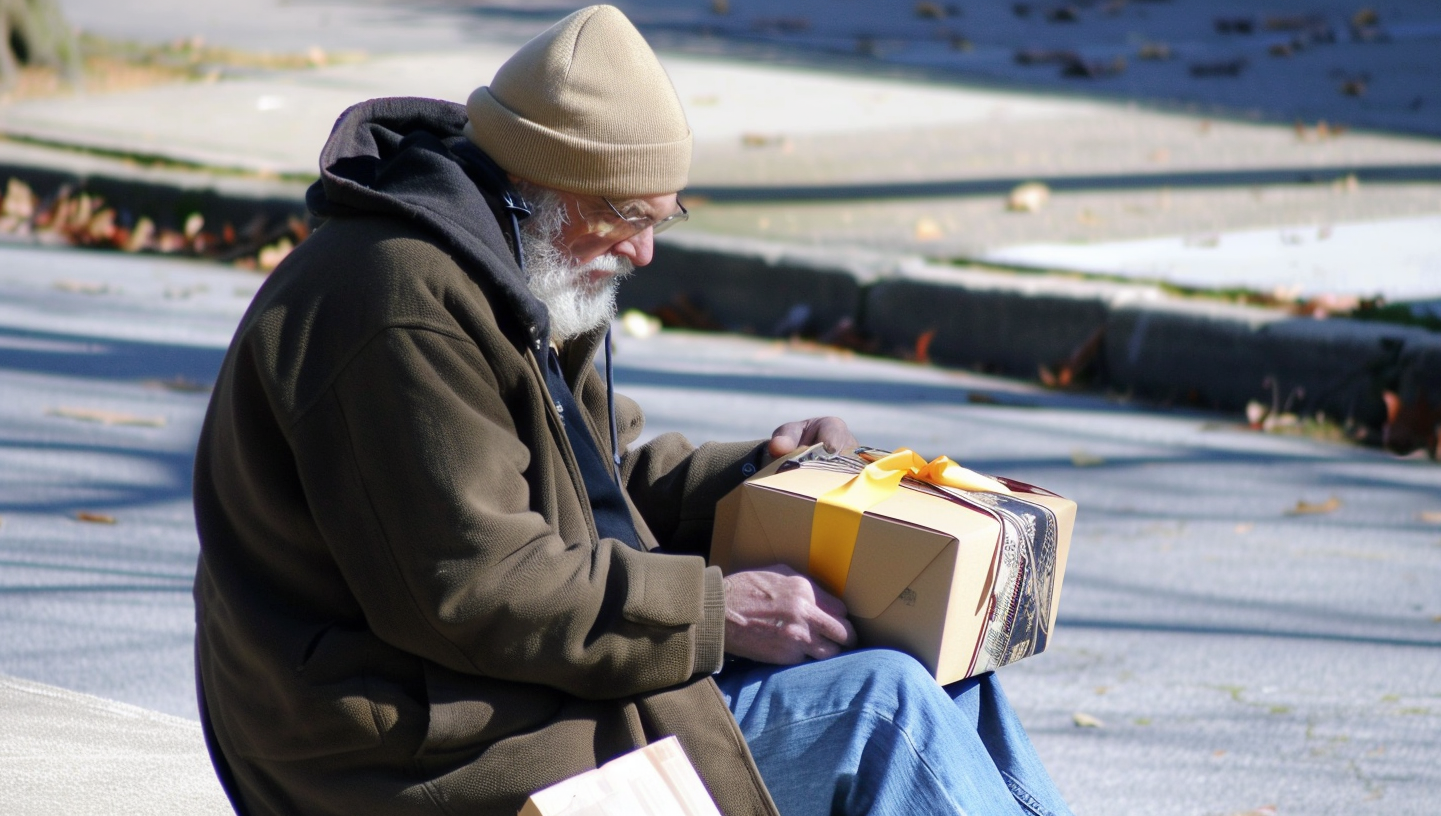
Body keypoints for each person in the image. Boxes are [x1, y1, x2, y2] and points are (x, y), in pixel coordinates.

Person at [191, 6, 1074, 816]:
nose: (644, 251)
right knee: (879, 710)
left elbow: (596, 488)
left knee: (946, 671)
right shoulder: (399, 303)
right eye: (621, 215)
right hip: (406, 747)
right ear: (531, 183)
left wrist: (768, 472)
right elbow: (479, 588)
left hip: (503, 686)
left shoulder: (516, 257)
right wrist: (722, 612)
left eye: (665, 216)